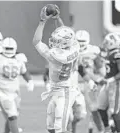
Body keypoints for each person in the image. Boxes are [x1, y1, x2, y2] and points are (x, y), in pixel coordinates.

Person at [33, 5, 85, 133]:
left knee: (60, 129)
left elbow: (36, 41)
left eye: (57, 41)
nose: (54, 42)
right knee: (51, 128)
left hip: (64, 92)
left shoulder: (54, 56)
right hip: (57, 91)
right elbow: (66, 33)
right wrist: (58, 19)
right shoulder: (75, 47)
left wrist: (42, 21)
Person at [97, 32, 120, 133]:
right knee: (100, 106)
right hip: (109, 83)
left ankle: (119, 130)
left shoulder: (118, 55)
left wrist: (111, 79)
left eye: (107, 42)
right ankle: (107, 129)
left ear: (112, 43)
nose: (105, 43)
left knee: (114, 111)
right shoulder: (108, 54)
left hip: (116, 84)